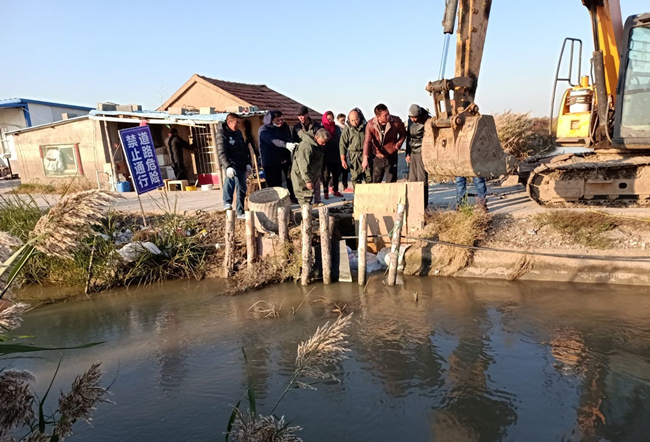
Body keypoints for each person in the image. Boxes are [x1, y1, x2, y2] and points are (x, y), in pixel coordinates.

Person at [258, 110, 298, 204]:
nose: (280, 122)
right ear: (271, 120)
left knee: (286, 180)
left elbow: (283, 137)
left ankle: (288, 199)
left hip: (281, 159)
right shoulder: (263, 130)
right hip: (270, 161)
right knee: (274, 184)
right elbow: (273, 141)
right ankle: (275, 203)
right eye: (278, 120)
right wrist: (285, 144)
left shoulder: (277, 128)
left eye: (282, 120)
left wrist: (292, 142)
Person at [217, 113, 252, 218]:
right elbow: (221, 152)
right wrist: (228, 166)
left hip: (241, 162)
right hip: (230, 162)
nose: (238, 125)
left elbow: (243, 149)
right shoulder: (222, 134)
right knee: (230, 178)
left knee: (242, 187)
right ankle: (227, 202)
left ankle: (240, 212)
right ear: (229, 122)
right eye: (236, 123)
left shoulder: (238, 133)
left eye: (239, 123)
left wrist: (248, 163)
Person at [362, 104, 407, 183]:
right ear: (378, 117)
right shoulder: (370, 124)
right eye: (385, 115)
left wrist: (397, 146)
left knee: (391, 182)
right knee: (376, 182)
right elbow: (367, 141)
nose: (388, 116)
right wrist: (365, 157)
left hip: (391, 155)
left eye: (388, 113)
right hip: (377, 156)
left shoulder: (396, 121)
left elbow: (403, 134)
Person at [291, 128, 330, 205]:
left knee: (309, 195)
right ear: (317, 137)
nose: (324, 144)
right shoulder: (306, 146)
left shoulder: (316, 145)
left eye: (325, 142)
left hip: (313, 173)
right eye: (323, 142)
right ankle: (306, 211)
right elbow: (303, 165)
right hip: (302, 176)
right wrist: (307, 180)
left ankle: (312, 205)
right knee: (304, 198)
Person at [406, 104, 430, 209]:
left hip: (422, 152)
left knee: (422, 179)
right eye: (411, 117)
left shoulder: (427, 121)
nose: (413, 120)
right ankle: (413, 204)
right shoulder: (410, 121)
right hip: (412, 152)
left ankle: (423, 205)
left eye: (415, 118)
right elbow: (408, 137)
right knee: (412, 179)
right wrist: (407, 153)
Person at [340, 108, 370, 189]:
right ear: (349, 120)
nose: (354, 122)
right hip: (354, 155)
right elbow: (342, 144)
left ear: (360, 118)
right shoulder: (347, 129)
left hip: (366, 154)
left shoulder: (366, 126)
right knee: (356, 178)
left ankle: (370, 195)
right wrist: (343, 159)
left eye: (356, 120)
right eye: (352, 120)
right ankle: (357, 194)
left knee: (369, 176)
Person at [321, 111, 343, 198]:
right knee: (326, 175)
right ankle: (326, 192)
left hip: (336, 154)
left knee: (336, 174)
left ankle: (336, 190)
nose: (330, 120)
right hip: (326, 155)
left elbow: (340, 140)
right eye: (328, 119)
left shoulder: (336, 128)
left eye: (331, 118)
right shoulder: (322, 128)